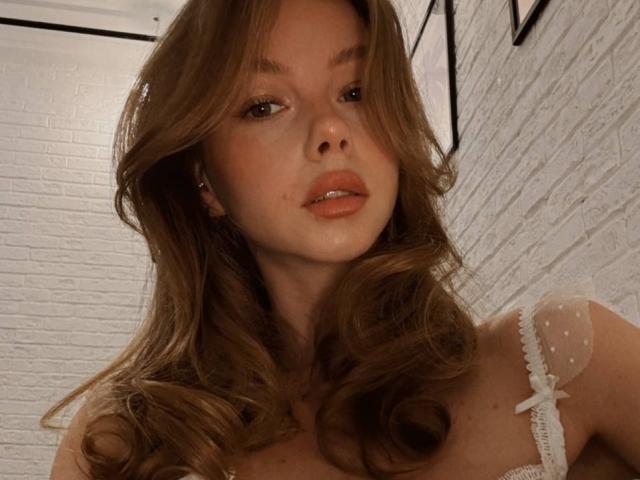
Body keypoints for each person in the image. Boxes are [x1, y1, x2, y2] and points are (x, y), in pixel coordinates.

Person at [42, 0, 640, 479]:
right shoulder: (120, 442)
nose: (331, 129)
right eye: (264, 105)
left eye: (356, 92)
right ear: (204, 182)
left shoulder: (566, 368)